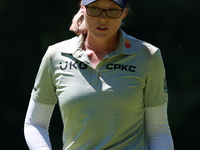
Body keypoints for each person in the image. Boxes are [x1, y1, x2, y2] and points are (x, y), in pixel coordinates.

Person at [24, 0, 174, 149]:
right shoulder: (56, 55)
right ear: (82, 8)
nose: (103, 18)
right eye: (95, 8)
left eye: (113, 10)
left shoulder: (148, 56)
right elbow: (35, 123)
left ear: (125, 12)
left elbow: (158, 131)